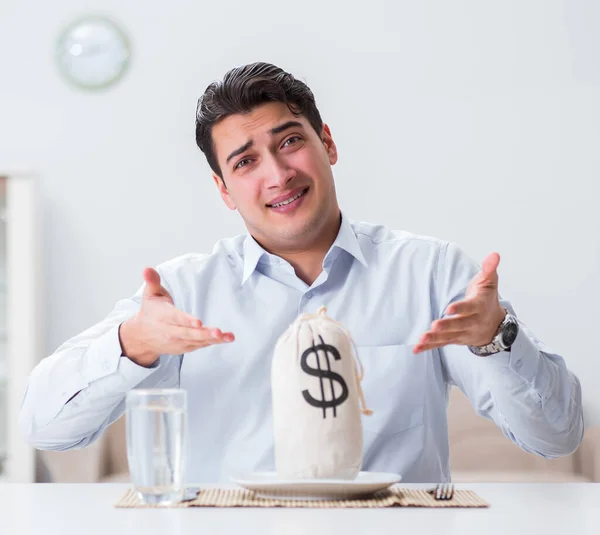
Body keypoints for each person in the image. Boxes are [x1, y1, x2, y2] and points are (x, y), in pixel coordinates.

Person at [20, 62, 583, 483]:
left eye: (290, 141)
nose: (278, 174)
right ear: (223, 189)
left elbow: (557, 437)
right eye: (245, 162)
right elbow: (44, 426)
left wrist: (496, 338)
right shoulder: (182, 293)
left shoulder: (429, 273)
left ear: (327, 143)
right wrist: (132, 343)